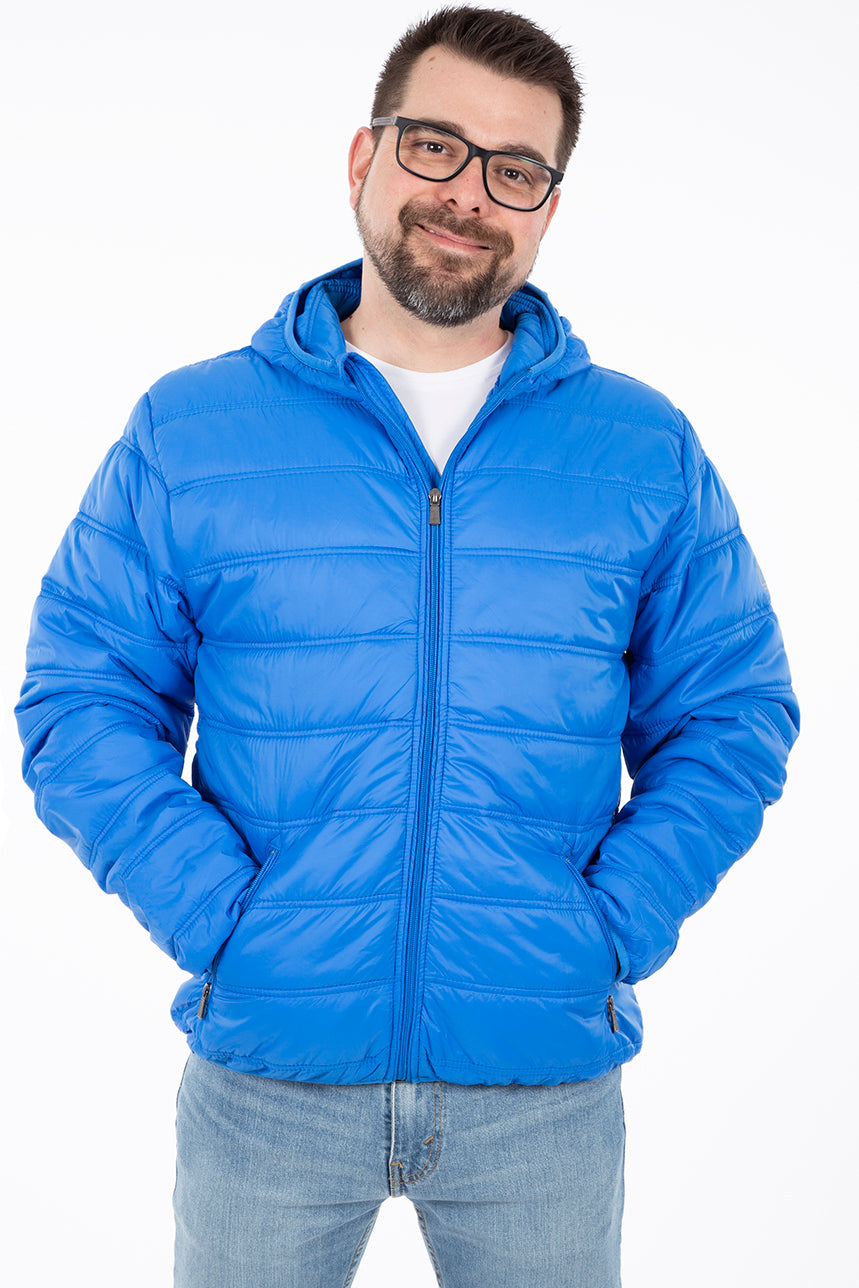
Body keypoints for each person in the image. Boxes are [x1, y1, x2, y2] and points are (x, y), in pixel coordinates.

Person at [16, 7, 799, 1286]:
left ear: (548, 207)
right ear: (363, 158)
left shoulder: (640, 448)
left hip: (540, 1090)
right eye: (435, 146)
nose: (467, 194)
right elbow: (82, 697)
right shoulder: (191, 429)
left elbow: (732, 713)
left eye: (515, 169)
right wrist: (224, 921)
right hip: (268, 1083)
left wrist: (602, 931)